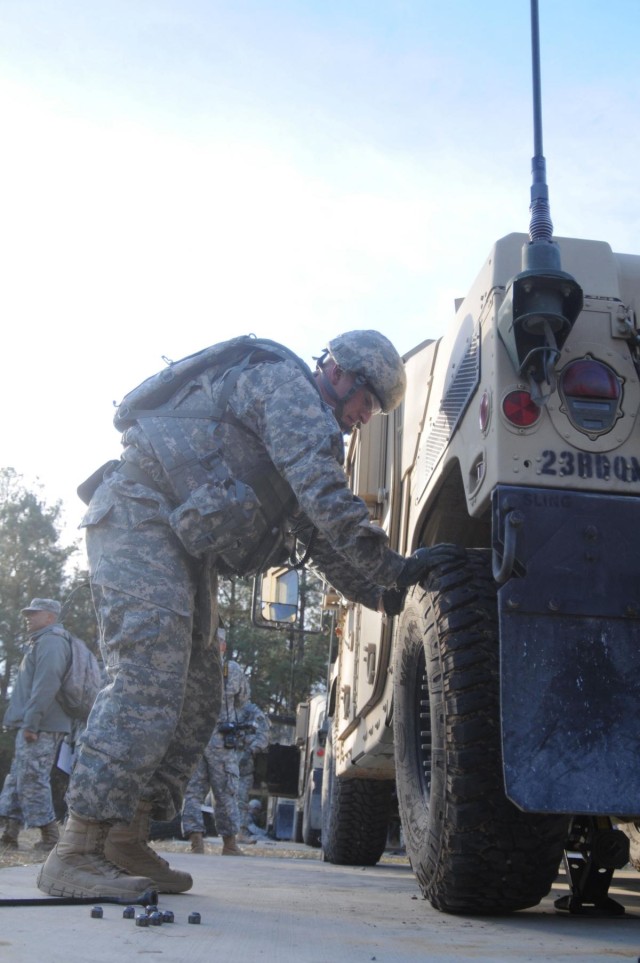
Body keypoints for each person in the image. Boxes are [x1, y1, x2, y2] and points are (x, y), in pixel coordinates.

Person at [37, 329, 446, 901]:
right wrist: (393, 567)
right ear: (344, 373)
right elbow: (327, 498)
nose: (365, 418)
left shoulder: (307, 424)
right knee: (150, 676)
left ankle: (123, 838)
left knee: (200, 692)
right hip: (138, 512)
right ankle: (76, 849)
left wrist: (383, 593)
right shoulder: (287, 390)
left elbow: (318, 536)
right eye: (369, 403)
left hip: (181, 546)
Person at [0, 599, 73, 853]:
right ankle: (9, 835)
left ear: (50, 617)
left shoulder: (52, 642)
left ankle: (50, 836)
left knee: (32, 778)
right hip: (34, 723)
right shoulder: (41, 641)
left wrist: (32, 722)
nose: (27, 617)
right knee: (17, 779)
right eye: (27, 613)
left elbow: (46, 685)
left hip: (41, 725)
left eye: (34, 613)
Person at [181, 629, 250, 855]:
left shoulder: (192, 666)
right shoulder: (233, 670)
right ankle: (229, 844)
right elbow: (242, 700)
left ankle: (196, 843)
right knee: (226, 791)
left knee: (193, 790)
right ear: (223, 646)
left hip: (195, 737)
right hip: (221, 738)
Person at [235, 701, 270, 843]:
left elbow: (263, 735)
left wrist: (252, 749)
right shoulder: (223, 708)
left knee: (241, 799)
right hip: (221, 762)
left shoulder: (252, 712)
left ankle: (239, 833)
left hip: (243, 764)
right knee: (221, 798)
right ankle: (225, 833)